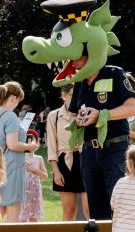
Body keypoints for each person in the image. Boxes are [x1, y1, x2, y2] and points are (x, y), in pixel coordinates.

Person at [68, 63, 135, 220]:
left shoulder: (115, 73)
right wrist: (78, 119)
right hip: (89, 152)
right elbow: (72, 113)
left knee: (120, 206)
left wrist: (102, 115)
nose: (73, 62)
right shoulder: (79, 80)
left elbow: (131, 108)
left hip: (115, 149)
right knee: (96, 211)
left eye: (78, 57)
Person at [0, 81, 39, 222]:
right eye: (18, 101)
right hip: (12, 166)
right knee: (13, 211)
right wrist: (30, 147)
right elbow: (13, 144)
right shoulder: (10, 116)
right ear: (13, 98)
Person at [46, 84, 89, 221]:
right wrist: (56, 172)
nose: (77, 97)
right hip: (65, 161)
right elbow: (52, 146)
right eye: (72, 94)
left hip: (86, 159)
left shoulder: (86, 113)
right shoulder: (54, 116)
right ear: (63, 96)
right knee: (69, 210)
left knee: (89, 210)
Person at [19, 130, 48, 222]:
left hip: (35, 192)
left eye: (32, 140)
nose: (29, 143)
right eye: (26, 140)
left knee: (33, 218)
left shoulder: (38, 159)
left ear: (37, 143)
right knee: (21, 217)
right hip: (22, 191)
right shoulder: (19, 158)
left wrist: (35, 170)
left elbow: (45, 176)